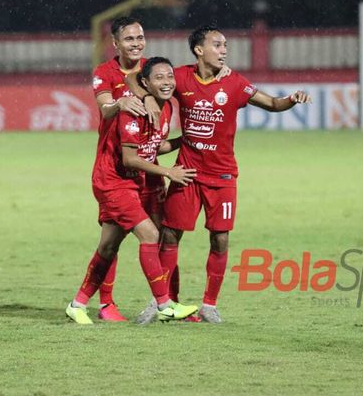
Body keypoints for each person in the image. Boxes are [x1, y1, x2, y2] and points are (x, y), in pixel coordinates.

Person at [128, 25, 312, 323]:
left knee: (220, 239)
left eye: (225, 45)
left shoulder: (236, 83)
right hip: (186, 172)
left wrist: (292, 99)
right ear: (199, 50)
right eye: (217, 44)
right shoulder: (181, 76)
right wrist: (148, 98)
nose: (224, 49)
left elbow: (273, 104)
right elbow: (134, 78)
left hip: (223, 177)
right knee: (170, 235)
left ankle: (209, 305)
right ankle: (162, 302)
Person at [66, 57, 199, 324]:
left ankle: (77, 304)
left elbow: (153, 146)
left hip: (131, 181)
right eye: (159, 78)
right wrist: (168, 172)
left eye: (169, 77)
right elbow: (130, 159)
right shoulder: (132, 110)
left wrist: (184, 140)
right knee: (149, 233)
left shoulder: (167, 109)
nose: (167, 82)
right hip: (113, 180)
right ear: (145, 83)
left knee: (108, 246)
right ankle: (165, 305)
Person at [86, 16, 149, 321]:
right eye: (129, 39)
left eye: (139, 37)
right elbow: (105, 107)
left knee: (162, 234)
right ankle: (106, 303)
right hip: (114, 167)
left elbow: (180, 83)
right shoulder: (104, 72)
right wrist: (120, 104)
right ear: (116, 44)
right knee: (114, 240)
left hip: (147, 165)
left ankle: (166, 301)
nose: (136, 44)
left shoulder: (151, 69)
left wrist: (217, 72)